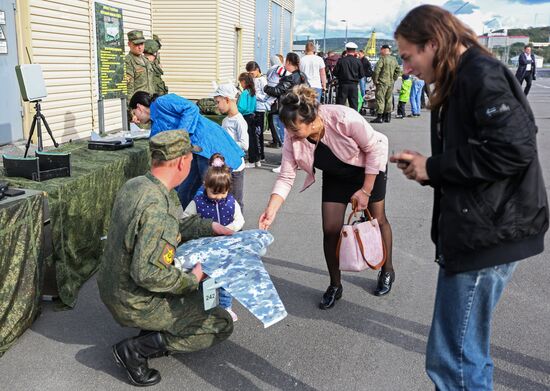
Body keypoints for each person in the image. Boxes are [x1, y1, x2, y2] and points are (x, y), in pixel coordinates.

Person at [391, 5, 548, 389]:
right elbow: (484, 152)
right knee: (462, 355)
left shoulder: (479, 73)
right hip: (481, 228)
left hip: (487, 233)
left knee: (454, 361)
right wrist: (429, 167)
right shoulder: (463, 74)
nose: (406, 68)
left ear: (433, 43)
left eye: (408, 56)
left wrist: (436, 168)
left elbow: (514, 149)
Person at [97, 130, 234, 387]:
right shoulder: (157, 206)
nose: (192, 162)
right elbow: (148, 274)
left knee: (196, 294)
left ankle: (155, 329)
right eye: (191, 158)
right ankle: (135, 350)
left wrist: (209, 227)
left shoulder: (140, 185)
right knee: (220, 322)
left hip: (115, 285)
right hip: (134, 298)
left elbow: (174, 227)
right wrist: (191, 280)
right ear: (182, 161)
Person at [259, 85, 395, 309]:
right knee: (330, 230)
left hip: (368, 169)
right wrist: (271, 209)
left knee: (377, 220)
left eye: (293, 128)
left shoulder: (342, 118)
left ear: (312, 121)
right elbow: (286, 175)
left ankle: (387, 268)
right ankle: (335, 284)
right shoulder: (293, 137)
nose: (289, 133)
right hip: (335, 176)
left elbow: (375, 148)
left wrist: (365, 191)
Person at [129, 91, 245, 209]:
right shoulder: (155, 125)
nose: (135, 119)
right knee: (185, 192)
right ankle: (189, 222)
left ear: (139, 107)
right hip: (193, 153)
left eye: (134, 113)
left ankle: (219, 223)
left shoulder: (162, 102)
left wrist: (181, 135)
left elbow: (191, 108)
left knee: (212, 190)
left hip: (206, 144)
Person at [184, 154, 245, 322]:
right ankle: (209, 309)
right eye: (214, 192)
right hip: (205, 248)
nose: (218, 196)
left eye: (222, 193)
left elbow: (240, 220)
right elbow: (185, 218)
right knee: (207, 279)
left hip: (225, 248)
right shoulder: (198, 202)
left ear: (228, 189)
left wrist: (229, 229)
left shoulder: (231, 202)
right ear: (205, 185)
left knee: (226, 278)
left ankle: (226, 307)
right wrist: (198, 228)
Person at [264, 53, 310, 173]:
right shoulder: (302, 76)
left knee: (287, 139)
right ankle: (299, 162)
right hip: (300, 110)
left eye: (286, 62)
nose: (284, 65)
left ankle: (286, 164)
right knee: (298, 138)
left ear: (289, 63)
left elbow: (278, 90)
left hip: (288, 110)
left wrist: (265, 88)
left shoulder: (289, 77)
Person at [212, 83, 248, 209]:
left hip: (237, 168)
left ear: (227, 99)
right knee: (224, 199)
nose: (216, 106)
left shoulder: (239, 120)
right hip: (226, 166)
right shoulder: (225, 120)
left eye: (217, 102)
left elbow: (245, 144)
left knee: (236, 201)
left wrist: (226, 144)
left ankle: (238, 228)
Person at [371, 45, 401, 123]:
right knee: (389, 99)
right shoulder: (394, 59)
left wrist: (375, 80)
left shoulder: (382, 59)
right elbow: (398, 70)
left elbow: (377, 71)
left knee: (380, 99)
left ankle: (379, 117)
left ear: (384, 50)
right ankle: (387, 117)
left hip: (382, 82)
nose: (380, 51)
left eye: (381, 50)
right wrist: (394, 79)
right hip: (390, 83)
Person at [246, 61, 269, 157]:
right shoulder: (254, 79)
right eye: (249, 74)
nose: (251, 75)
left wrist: (254, 94)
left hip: (260, 109)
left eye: (252, 73)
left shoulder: (262, 80)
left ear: (257, 70)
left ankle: (260, 154)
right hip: (252, 108)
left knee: (258, 134)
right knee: (253, 133)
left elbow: (265, 96)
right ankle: (256, 154)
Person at [265, 55, 288, 148]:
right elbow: (287, 74)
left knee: (273, 119)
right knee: (275, 119)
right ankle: (277, 140)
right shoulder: (278, 68)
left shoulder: (272, 69)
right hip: (278, 96)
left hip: (272, 96)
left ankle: (277, 141)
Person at [333, 42, 364, 111]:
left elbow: (335, 72)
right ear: (355, 51)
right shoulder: (358, 61)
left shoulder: (341, 61)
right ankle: (354, 120)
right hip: (354, 85)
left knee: (340, 105)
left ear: (346, 50)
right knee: (354, 105)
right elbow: (361, 74)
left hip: (343, 85)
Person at [237, 72, 259, 168]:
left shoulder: (245, 93)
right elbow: (254, 106)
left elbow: (242, 107)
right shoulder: (252, 92)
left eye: (241, 82)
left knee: (248, 139)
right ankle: (257, 159)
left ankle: (251, 161)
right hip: (252, 116)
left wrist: (237, 109)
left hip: (245, 117)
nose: (240, 84)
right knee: (254, 138)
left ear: (244, 82)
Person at [125, 30, 154, 101]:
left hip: (150, 102)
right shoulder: (128, 61)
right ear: (129, 44)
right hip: (138, 105)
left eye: (142, 44)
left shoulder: (145, 60)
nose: (140, 47)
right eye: (136, 44)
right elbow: (129, 88)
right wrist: (131, 107)